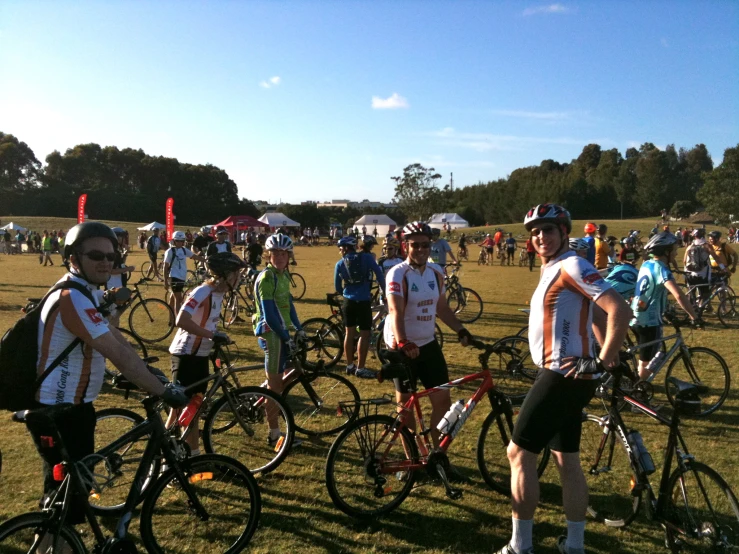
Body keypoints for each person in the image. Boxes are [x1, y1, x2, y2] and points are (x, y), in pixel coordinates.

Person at [29, 222, 187, 547]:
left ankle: (53, 544)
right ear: (73, 258)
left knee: (68, 498)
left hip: (71, 409)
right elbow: (117, 353)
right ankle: (49, 546)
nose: (106, 262)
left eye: (112, 256)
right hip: (58, 412)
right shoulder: (72, 296)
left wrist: (148, 373)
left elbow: (115, 337)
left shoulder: (83, 292)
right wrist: (164, 391)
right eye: (96, 255)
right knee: (65, 503)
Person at [495, 204, 631, 554]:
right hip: (568, 376)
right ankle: (574, 545)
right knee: (565, 459)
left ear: (563, 231)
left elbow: (619, 309)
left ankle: (520, 546)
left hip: (561, 376)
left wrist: (602, 361)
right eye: (535, 232)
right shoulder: (554, 267)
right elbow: (596, 312)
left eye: (548, 230)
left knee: (518, 453)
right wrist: (606, 355)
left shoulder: (572, 265)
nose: (541, 236)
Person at [383, 221, 473, 478]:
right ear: (405, 246)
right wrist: (402, 342)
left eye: (425, 244)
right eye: (415, 245)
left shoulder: (436, 272)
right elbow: (395, 310)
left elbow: (442, 308)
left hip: (428, 343)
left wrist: (461, 330)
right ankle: (413, 459)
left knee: (442, 402)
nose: (421, 249)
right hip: (401, 345)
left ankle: (437, 458)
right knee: (405, 407)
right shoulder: (397, 274)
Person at [167, 252, 241, 455]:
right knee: (192, 408)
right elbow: (181, 320)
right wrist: (211, 334)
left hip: (199, 355)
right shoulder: (203, 291)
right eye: (237, 273)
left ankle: (166, 449)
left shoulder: (218, 293)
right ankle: (194, 457)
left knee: (184, 408)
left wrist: (215, 336)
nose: (240, 278)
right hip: (186, 355)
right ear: (226, 275)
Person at [252, 234, 306, 447]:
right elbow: (269, 314)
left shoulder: (284, 275)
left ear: (289, 255)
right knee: (275, 389)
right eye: (275, 253)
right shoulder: (268, 277)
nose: (280, 257)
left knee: (284, 378)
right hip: (271, 334)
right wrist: (286, 337)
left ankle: (260, 391)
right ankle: (275, 435)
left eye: (283, 253)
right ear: (268, 255)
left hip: (282, 333)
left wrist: (299, 328)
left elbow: (289, 305)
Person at [632, 232, 698, 381]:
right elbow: (678, 294)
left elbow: (652, 291)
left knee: (650, 354)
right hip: (649, 321)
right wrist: (694, 316)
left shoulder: (646, 264)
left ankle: (637, 386)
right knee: (647, 361)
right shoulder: (662, 269)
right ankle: (637, 393)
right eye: (674, 250)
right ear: (666, 252)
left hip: (636, 316)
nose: (676, 253)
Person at [334, 235, 384, 378]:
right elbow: (379, 274)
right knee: (364, 334)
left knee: (349, 334)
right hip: (363, 300)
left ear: (343, 249)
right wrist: (384, 290)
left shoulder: (340, 263)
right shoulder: (367, 258)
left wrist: (345, 292)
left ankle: (349, 365)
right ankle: (360, 368)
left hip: (348, 301)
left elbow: (337, 286)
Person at [164, 231, 206, 314]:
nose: (179, 243)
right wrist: (165, 281)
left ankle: (171, 319)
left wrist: (206, 260)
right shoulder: (169, 251)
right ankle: (179, 320)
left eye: (181, 241)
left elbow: (194, 256)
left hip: (182, 277)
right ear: (173, 241)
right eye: (177, 241)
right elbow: (165, 266)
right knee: (179, 299)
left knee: (173, 298)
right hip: (174, 277)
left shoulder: (184, 250)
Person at [683, 229, 713, 308]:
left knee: (691, 292)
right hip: (703, 274)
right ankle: (701, 308)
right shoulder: (706, 245)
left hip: (691, 273)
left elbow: (684, 261)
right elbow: (716, 257)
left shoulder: (690, 246)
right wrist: (723, 268)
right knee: (705, 293)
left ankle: (692, 308)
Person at [106, 227, 135, 292]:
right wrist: (128, 269)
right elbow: (111, 271)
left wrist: (125, 254)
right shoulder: (113, 252)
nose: (124, 240)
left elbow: (120, 265)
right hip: (113, 285)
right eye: (123, 237)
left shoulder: (116, 251)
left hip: (117, 283)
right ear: (117, 238)